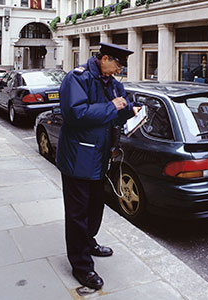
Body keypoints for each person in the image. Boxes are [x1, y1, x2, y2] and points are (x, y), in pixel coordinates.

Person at [56, 42, 141, 290]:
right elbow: (75, 114)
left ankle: (89, 242)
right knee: (77, 213)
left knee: (95, 207)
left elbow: (121, 108)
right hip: (78, 158)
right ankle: (81, 266)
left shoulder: (113, 83)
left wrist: (130, 110)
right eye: (117, 64)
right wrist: (112, 107)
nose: (119, 69)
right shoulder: (77, 78)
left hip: (100, 157)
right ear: (104, 58)